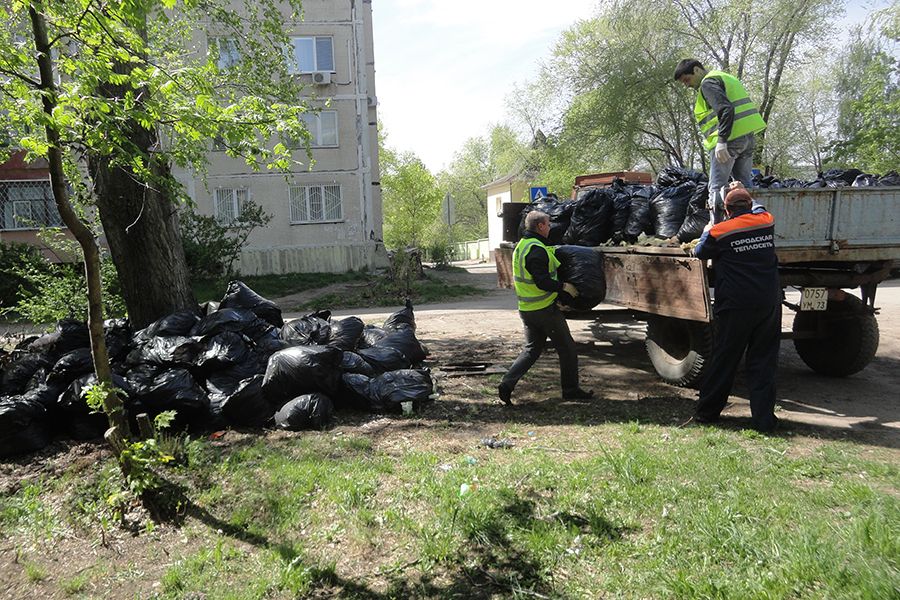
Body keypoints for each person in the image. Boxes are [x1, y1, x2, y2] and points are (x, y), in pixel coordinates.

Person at [691, 183, 781, 432]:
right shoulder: (766, 220)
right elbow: (760, 206)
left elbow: (700, 252)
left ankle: (707, 413)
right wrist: (742, 188)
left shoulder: (720, 231)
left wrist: (706, 230)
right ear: (750, 206)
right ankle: (764, 421)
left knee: (725, 359)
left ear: (727, 210)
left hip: (735, 305)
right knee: (763, 361)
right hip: (767, 303)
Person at [498, 211, 593, 405]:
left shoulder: (522, 246)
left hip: (527, 309)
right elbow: (542, 281)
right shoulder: (536, 249)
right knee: (567, 348)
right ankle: (571, 390)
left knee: (532, 349)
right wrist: (563, 287)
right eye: (548, 224)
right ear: (540, 226)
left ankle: (506, 384)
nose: (550, 228)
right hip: (544, 310)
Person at [674, 59, 767, 222]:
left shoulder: (707, 83)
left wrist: (721, 141)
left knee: (717, 188)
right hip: (747, 138)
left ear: (697, 70)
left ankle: (716, 231)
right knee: (744, 187)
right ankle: (752, 227)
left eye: (687, 80)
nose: (687, 85)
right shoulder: (725, 77)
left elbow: (725, 109)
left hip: (729, 141)